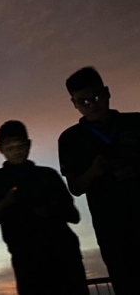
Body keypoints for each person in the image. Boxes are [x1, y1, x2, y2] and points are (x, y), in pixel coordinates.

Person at [0, 120, 87, 295]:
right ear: (0, 149)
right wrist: (7, 202)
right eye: (10, 147)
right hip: (27, 260)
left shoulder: (48, 175)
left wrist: (50, 209)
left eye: (20, 145)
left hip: (64, 255)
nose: (17, 151)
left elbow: (74, 216)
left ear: (29, 144)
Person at [59, 67, 140, 293]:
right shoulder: (70, 140)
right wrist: (94, 171)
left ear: (107, 92)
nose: (92, 105)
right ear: (73, 103)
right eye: (83, 101)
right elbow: (75, 188)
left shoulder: (135, 123)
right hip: (112, 229)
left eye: (96, 97)